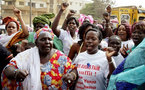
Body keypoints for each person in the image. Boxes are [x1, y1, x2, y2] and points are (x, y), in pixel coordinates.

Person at [1, 26, 77, 89]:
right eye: (43, 39)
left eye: (49, 39)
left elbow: (73, 70)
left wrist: (71, 75)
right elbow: (8, 68)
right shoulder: (26, 56)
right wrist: (16, 73)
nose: (47, 42)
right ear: (36, 43)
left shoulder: (60, 58)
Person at [107, 22, 145, 90]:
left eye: (140, 33)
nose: (136, 35)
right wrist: (127, 58)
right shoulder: (131, 49)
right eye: (134, 32)